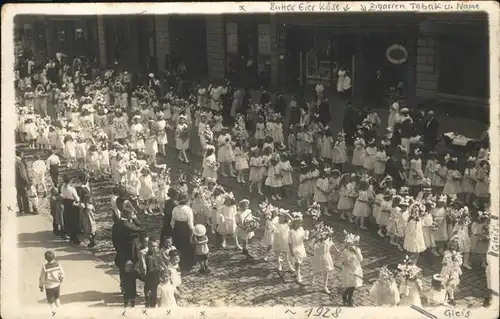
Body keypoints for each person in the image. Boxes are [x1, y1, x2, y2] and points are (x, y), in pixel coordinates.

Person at [112, 204, 143, 293]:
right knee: (130, 270)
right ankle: (130, 289)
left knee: (123, 270)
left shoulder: (116, 224)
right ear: (129, 214)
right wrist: (135, 219)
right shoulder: (127, 225)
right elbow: (140, 229)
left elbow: (113, 239)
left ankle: (123, 286)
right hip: (129, 251)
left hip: (120, 251)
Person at [170, 193, 196, 271]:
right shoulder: (188, 210)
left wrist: (173, 231)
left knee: (178, 245)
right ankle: (187, 264)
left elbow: (172, 223)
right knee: (187, 246)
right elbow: (190, 224)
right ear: (187, 201)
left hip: (177, 229)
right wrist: (191, 235)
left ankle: (179, 263)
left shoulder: (175, 208)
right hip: (185, 229)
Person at [60, 174, 81, 244]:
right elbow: (77, 198)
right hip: (72, 205)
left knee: (68, 220)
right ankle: (74, 238)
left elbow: (62, 195)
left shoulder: (62, 187)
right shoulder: (71, 189)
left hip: (66, 204)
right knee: (74, 221)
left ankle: (70, 235)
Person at [144, 235, 162, 308]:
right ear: (148, 246)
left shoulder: (155, 254)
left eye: (155, 246)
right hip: (152, 277)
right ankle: (152, 305)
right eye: (152, 246)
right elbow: (151, 269)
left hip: (155, 276)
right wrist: (159, 269)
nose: (153, 248)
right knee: (153, 292)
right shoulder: (150, 257)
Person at [16, 150, 31, 214]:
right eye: (22, 154)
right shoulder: (20, 162)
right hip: (21, 181)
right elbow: (23, 174)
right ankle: (26, 210)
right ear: (20, 154)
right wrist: (27, 182)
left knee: (18, 195)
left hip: (16, 181)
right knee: (24, 195)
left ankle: (21, 209)